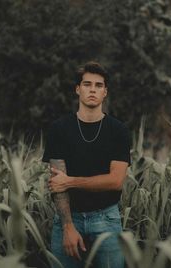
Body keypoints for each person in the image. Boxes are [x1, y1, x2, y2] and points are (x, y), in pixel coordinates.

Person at [42, 61, 131, 268]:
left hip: (107, 219)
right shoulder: (59, 129)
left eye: (98, 85)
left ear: (105, 92)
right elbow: (58, 184)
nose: (92, 89)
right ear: (77, 89)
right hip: (67, 219)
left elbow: (115, 181)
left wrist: (70, 181)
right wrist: (68, 227)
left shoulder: (118, 131)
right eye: (87, 84)